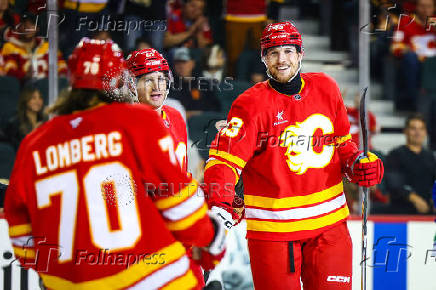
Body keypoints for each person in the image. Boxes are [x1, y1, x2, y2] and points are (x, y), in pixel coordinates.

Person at [4, 38, 226, 289]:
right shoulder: (137, 122)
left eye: (161, 78)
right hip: (149, 274)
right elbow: (180, 205)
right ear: (122, 81)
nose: (157, 86)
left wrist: (61, 275)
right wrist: (212, 237)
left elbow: (23, 240)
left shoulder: (35, 144)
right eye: (146, 79)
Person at [202, 22, 384, 290]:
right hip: (273, 233)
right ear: (263, 58)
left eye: (288, 51)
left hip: (329, 227)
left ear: (300, 54)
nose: (282, 59)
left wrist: (358, 165)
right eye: (273, 52)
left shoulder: (326, 88)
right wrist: (219, 205)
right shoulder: (250, 104)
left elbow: (343, 146)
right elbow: (224, 161)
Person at [385, 113, 436, 214]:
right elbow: (394, 185)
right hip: (401, 213)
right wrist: (415, 199)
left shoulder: (430, 156)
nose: (418, 133)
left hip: (428, 214)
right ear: (406, 131)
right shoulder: (395, 155)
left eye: (421, 129)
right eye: (413, 128)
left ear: (426, 132)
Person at [391, 0, 436, 110]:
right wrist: (413, 51)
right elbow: (395, 48)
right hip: (416, 64)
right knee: (410, 58)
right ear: (416, 7)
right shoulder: (405, 21)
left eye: (429, 6)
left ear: (434, 8)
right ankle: (417, 101)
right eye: (422, 6)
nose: (426, 10)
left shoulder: (435, 21)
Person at [1, 13, 67, 82]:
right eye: (24, 25)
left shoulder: (48, 47)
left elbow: (61, 64)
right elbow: (8, 69)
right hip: (22, 86)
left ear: (37, 29)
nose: (27, 28)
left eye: (31, 25)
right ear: (18, 28)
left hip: (47, 85)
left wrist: (62, 76)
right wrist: (25, 76)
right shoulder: (9, 47)